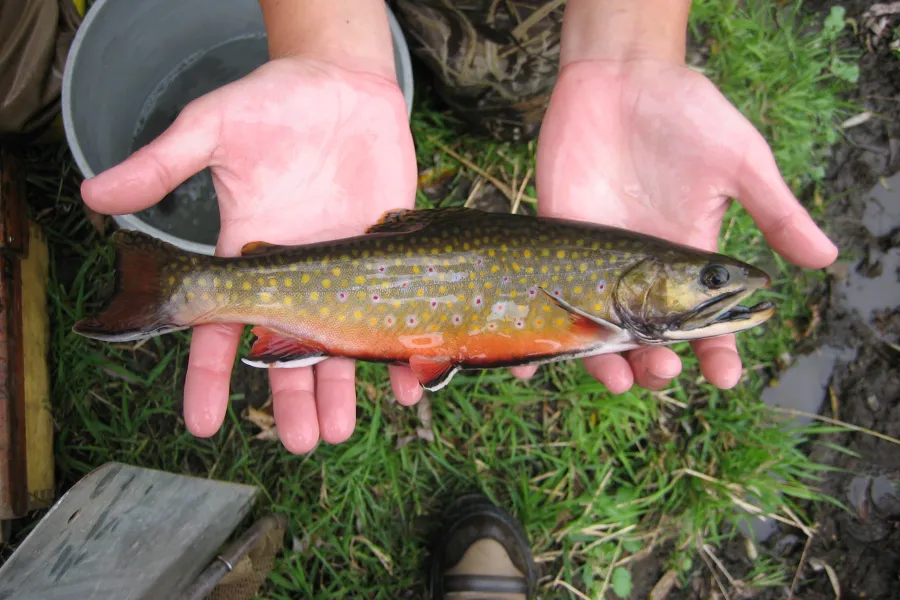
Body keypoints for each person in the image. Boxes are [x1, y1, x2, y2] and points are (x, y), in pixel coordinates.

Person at [6, 1, 838, 597]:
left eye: (711, 282)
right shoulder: (594, 315)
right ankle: (180, 288)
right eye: (711, 280)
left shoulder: (607, 304)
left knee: (494, 73)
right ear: (643, 284)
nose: (720, 289)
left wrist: (631, 49)